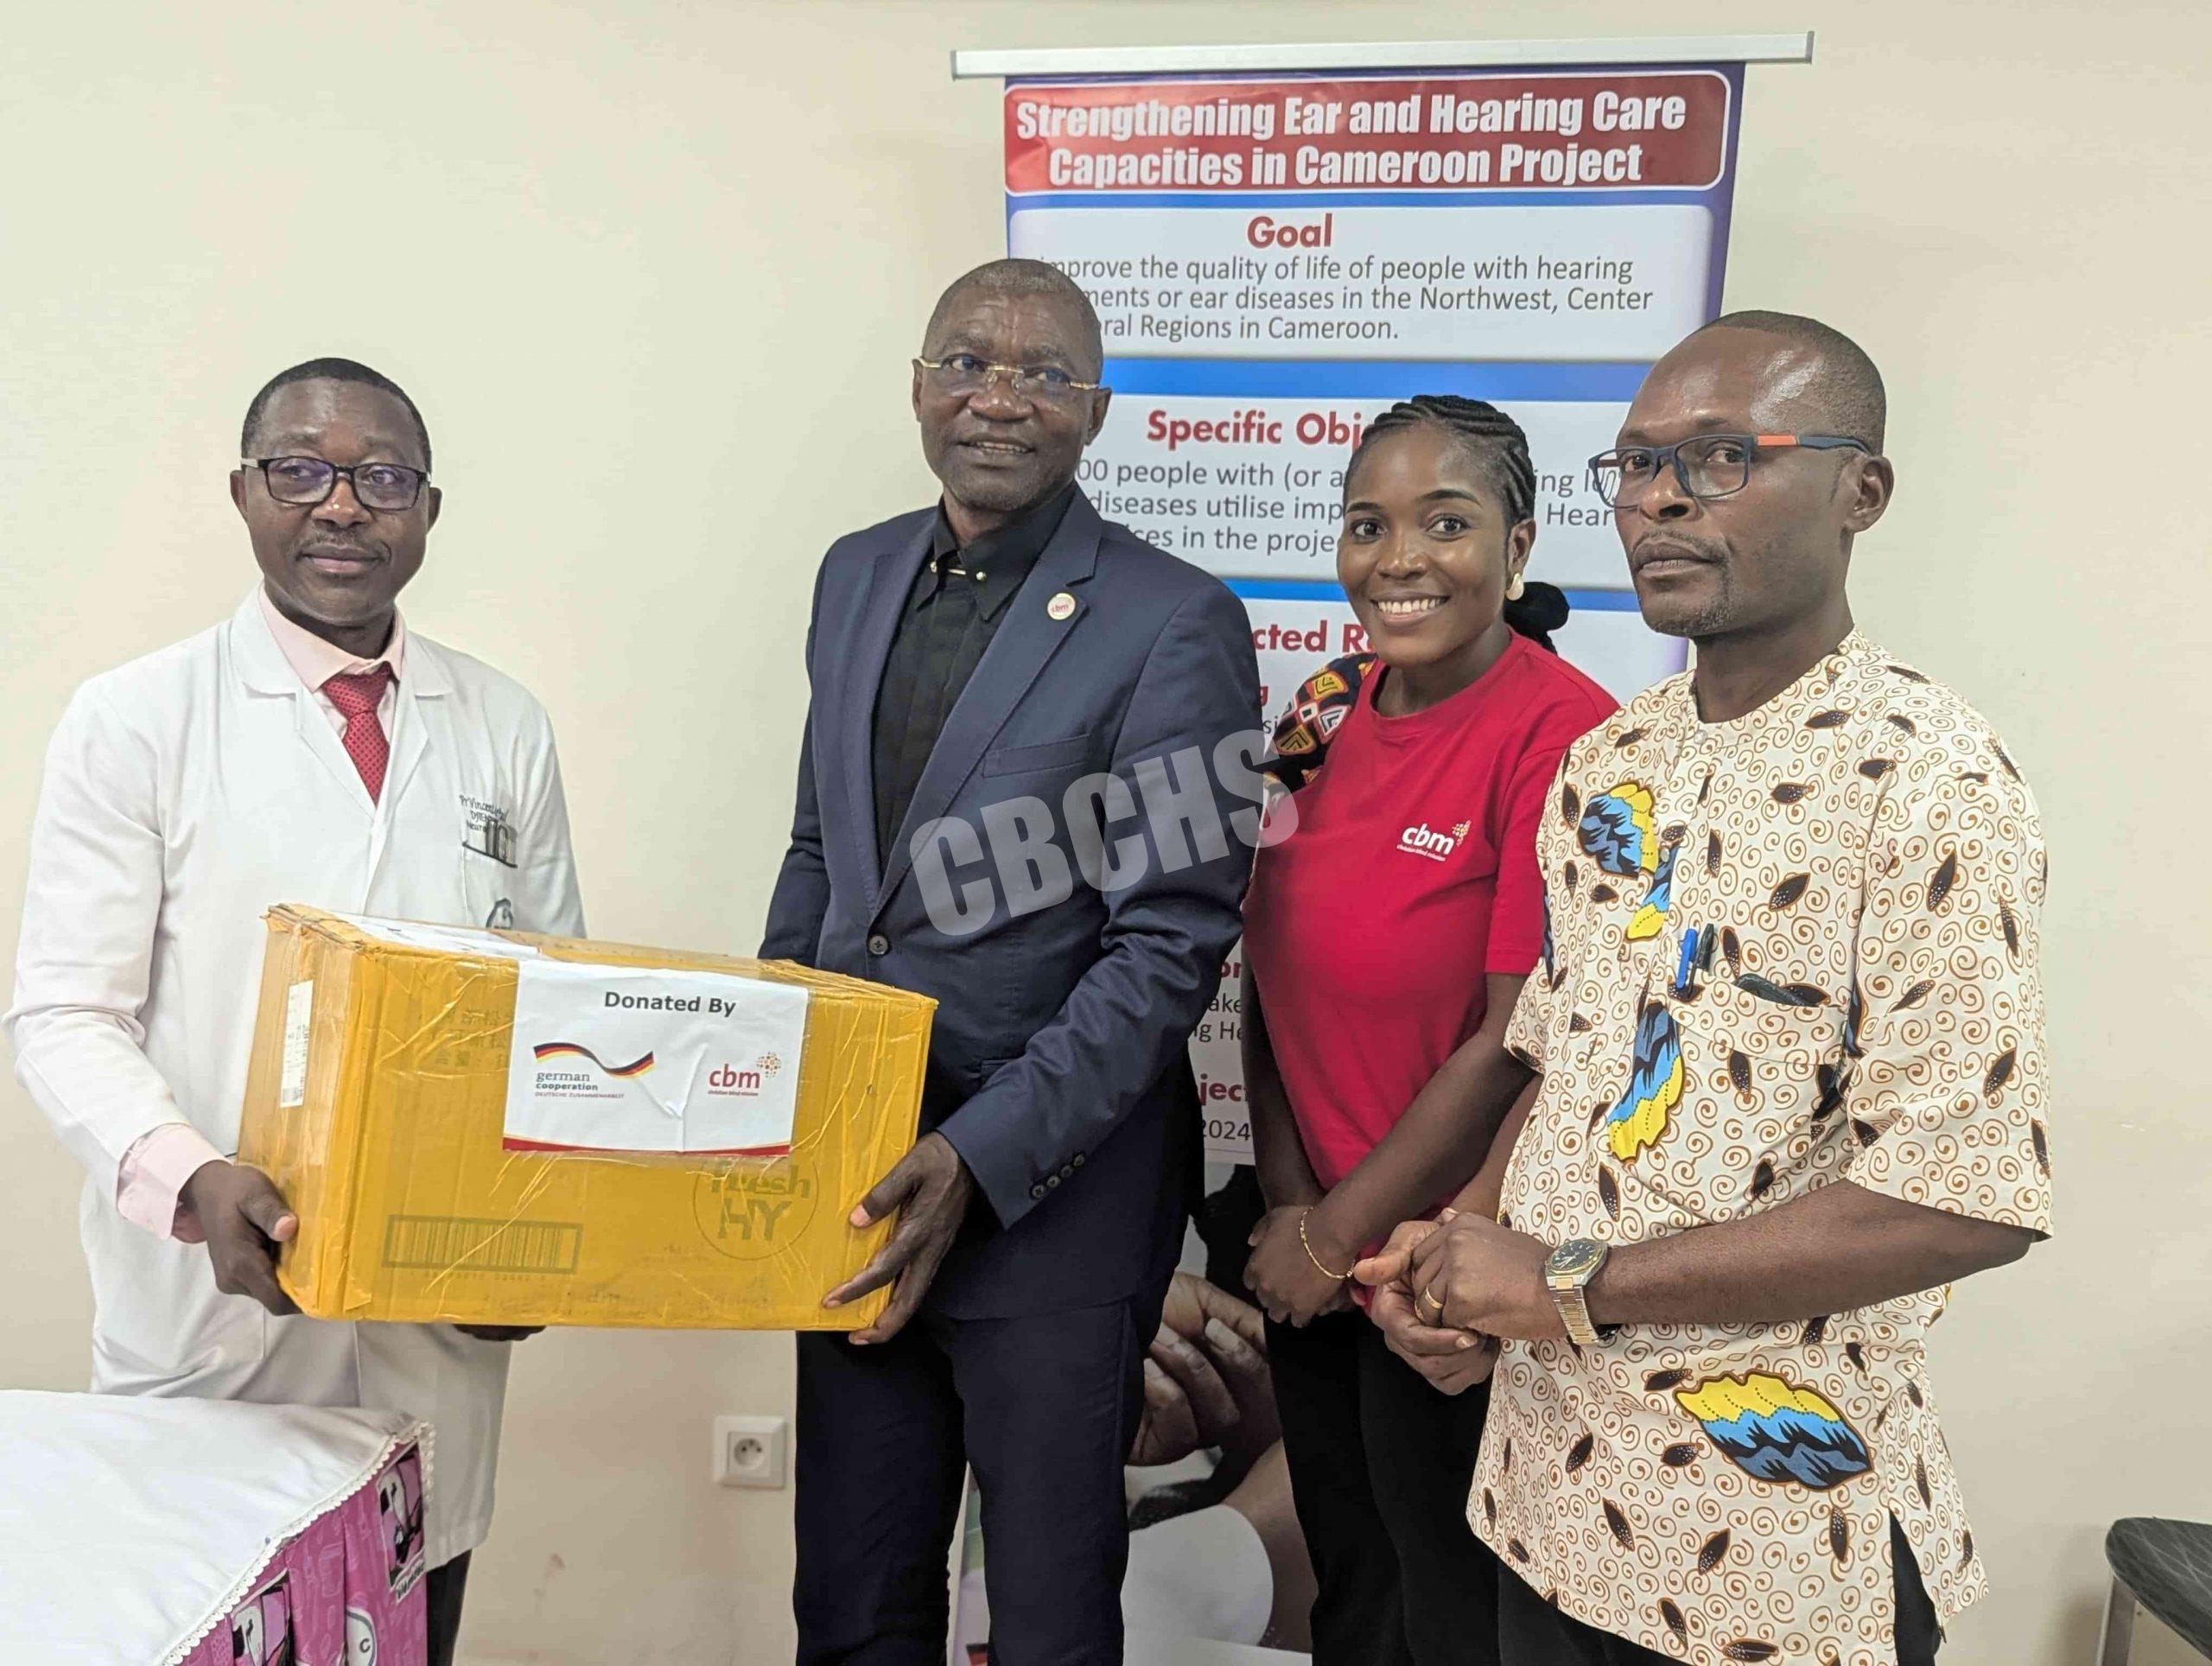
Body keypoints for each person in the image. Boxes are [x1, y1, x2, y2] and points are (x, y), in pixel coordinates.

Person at [1361, 313, 2049, 1666]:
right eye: (1638, 463)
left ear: (1863, 490)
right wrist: (1465, 1253)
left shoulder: (1931, 783)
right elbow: (1567, 1059)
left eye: (1726, 455)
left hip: (1770, 1553)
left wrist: (1565, 1282)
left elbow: (1960, 1199)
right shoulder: (1611, 760)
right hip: (1547, 1504)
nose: (1661, 498)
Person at [6, 359, 585, 1666]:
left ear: (427, 509)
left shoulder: (504, 726)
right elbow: (64, 1013)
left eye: (382, 478)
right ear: (244, 493)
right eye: (302, 471)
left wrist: (527, 1246)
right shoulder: (138, 718)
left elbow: (555, 1018)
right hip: (216, 1332)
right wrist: (190, 1176)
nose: (342, 506)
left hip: (434, 1337)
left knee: (415, 1620)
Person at [760, 258, 1262, 1664]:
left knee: (1045, 1619)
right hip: (857, 1178)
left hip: (1055, 1205)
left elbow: (1168, 945)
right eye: (970, 362)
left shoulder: (1174, 618)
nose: (1000, 397)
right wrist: (772, 1068)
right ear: (920, 388)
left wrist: (976, 1159)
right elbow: (823, 853)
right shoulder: (855, 573)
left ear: (1094, 412)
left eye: (1045, 374)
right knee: (852, 1599)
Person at [1237, 397, 1615, 1665]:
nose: (1399, 558)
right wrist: (1292, 1209)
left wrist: (1345, 1237)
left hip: (1449, 1270)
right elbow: (1264, 963)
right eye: (1369, 524)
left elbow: (1519, 1040)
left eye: (1445, 523)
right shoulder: (1322, 705)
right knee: (1354, 1598)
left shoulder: (1568, 735)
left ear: (1519, 545)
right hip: (1317, 1251)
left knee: (1452, 1617)